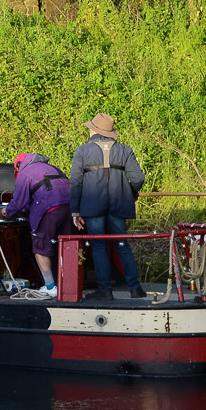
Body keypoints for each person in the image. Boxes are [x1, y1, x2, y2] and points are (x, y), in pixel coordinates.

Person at [70, 113, 148, 300]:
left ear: (94, 130)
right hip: (119, 204)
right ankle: (135, 288)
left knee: (98, 247)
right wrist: (130, 192)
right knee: (122, 244)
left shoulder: (82, 151)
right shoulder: (125, 150)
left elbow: (76, 182)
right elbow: (138, 178)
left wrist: (75, 210)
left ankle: (105, 290)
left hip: (92, 205)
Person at [0, 152, 72, 297]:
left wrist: (5, 211)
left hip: (49, 209)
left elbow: (18, 203)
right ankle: (69, 285)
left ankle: (50, 287)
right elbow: (42, 193)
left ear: (19, 166)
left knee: (41, 248)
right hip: (69, 207)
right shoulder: (53, 168)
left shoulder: (26, 173)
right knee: (66, 246)